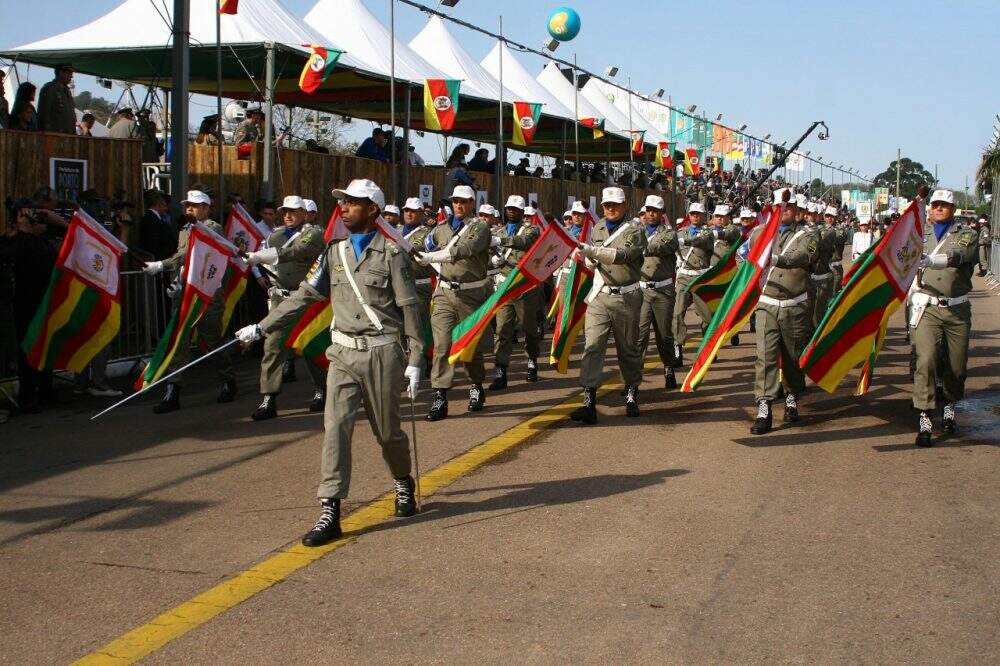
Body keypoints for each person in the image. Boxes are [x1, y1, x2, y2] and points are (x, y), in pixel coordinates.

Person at [235, 178, 423, 546]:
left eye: (352, 202)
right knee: (336, 428)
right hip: (342, 353)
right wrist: (262, 327)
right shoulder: (333, 253)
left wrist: (416, 358)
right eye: (343, 202)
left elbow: (409, 308)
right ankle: (330, 509)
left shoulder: (392, 254)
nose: (344, 208)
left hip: (382, 352)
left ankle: (402, 481)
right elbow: (305, 295)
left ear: (372, 209)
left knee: (387, 433)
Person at [140, 190, 237, 412]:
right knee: (179, 342)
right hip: (186, 292)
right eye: (187, 205)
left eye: (195, 205)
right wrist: (177, 281)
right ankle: (172, 391)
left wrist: (161, 265)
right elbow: (185, 261)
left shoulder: (212, 228)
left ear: (206, 208)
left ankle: (228, 380)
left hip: (207, 294)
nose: (189, 209)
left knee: (212, 341)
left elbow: (191, 254)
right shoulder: (185, 229)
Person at [243, 195, 328, 419]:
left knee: (310, 346)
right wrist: (254, 259)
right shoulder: (276, 235)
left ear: (304, 213)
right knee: (273, 345)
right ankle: (268, 397)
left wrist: (262, 256)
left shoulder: (313, 233)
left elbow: (298, 251)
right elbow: (266, 256)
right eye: (285, 212)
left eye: (293, 211)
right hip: (281, 299)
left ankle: (322, 389)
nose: (288, 216)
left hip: (306, 298)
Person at [569, 186, 647, 424]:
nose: (611, 209)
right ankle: (589, 401)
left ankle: (631, 391)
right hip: (600, 295)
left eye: (615, 205)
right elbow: (595, 261)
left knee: (628, 348)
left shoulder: (635, 230)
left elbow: (624, 255)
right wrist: (586, 259)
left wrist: (592, 251)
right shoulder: (598, 227)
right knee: (592, 346)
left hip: (626, 297)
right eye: (607, 205)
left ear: (625, 206)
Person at [909, 189, 979, 446]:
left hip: (956, 309)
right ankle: (925, 416)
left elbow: (960, 256)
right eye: (935, 204)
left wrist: (932, 260)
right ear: (930, 208)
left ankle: (949, 403)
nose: (939, 208)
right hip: (927, 308)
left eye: (944, 205)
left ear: (953, 209)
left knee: (956, 367)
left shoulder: (967, 234)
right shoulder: (919, 234)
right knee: (925, 359)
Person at [415, 185, 491, 421]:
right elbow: (425, 244)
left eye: (464, 201)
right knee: (442, 345)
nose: (459, 205)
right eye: (456, 201)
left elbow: (466, 249)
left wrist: (433, 256)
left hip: (471, 295)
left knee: (469, 346)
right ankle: (440, 394)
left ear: (472, 203)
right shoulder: (440, 229)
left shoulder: (479, 227)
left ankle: (476, 384)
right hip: (444, 293)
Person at [749, 191, 817, 435]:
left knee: (792, 356)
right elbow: (744, 258)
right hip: (766, 304)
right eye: (780, 205)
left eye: (789, 206)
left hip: (794, 306)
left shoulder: (808, 234)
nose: (784, 209)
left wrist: (776, 258)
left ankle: (791, 395)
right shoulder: (759, 233)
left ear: (796, 210)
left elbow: (804, 256)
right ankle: (764, 406)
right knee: (765, 356)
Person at [5, 199, 58, 412]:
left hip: (44, 302)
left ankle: (46, 390)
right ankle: (28, 396)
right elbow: (16, 258)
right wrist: (23, 229)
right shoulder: (14, 240)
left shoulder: (42, 241)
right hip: (24, 305)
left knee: (46, 348)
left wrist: (51, 218)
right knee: (27, 351)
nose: (40, 220)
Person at [488, 195, 541, 391]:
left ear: (522, 211)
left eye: (515, 209)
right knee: (502, 329)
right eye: (509, 207)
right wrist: (493, 261)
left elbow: (525, 242)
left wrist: (500, 241)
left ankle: (532, 360)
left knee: (529, 328)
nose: (511, 211)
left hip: (524, 286)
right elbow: (487, 256)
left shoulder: (531, 229)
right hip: (504, 286)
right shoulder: (498, 231)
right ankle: (500, 371)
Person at [637, 195, 680, 389]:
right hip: (641, 290)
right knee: (639, 334)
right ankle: (633, 376)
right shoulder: (636, 231)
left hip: (663, 290)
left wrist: (638, 248)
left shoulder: (669, 234)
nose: (651, 214)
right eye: (648, 210)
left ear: (662, 213)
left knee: (664, 335)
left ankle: (668, 367)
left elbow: (659, 247)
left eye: (655, 211)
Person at [671, 202, 715, 365]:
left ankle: (708, 346)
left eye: (698, 214)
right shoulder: (680, 232)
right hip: (684, 277)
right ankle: (677, 345)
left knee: (707, 316)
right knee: (677, 313)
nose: (695, 216)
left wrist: (683, 242)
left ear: (703, 216)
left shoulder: (708, 233)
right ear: (689, 215)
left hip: (701, 278)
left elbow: (700, 241)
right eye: (692, 213)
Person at [805, 202, 834, 328]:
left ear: (818, 215)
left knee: (818, 313)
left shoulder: (827, 231)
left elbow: (814, 249)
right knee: (806, 313)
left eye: (812, 214)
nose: (808, 216)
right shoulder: (803, 229)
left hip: (820, 276)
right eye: (808, 213)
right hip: (807, 277)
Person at [136, 189, 177, 260]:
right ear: (158, 204)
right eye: (164, 204)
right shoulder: (152, 220)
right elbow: (154, 245)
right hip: (159, 260)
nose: (166, 208)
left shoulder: (150, 218)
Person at [37, 64, 76, 134]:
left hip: (68, 134)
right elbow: (44, 114)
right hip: (54, 134)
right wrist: (47, 132)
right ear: (61, 72)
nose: (71, 76)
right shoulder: (49, 88)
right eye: (69, 72)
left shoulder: (67, 91)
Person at [825, 206, 848, 295]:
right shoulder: (820, 228)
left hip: (835, 267)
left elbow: (839, 238)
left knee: (835, 293)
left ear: (836, 218)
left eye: (832, 216)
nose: (829, 218)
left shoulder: (840, 229)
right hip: (823, 268)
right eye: (827, 216)